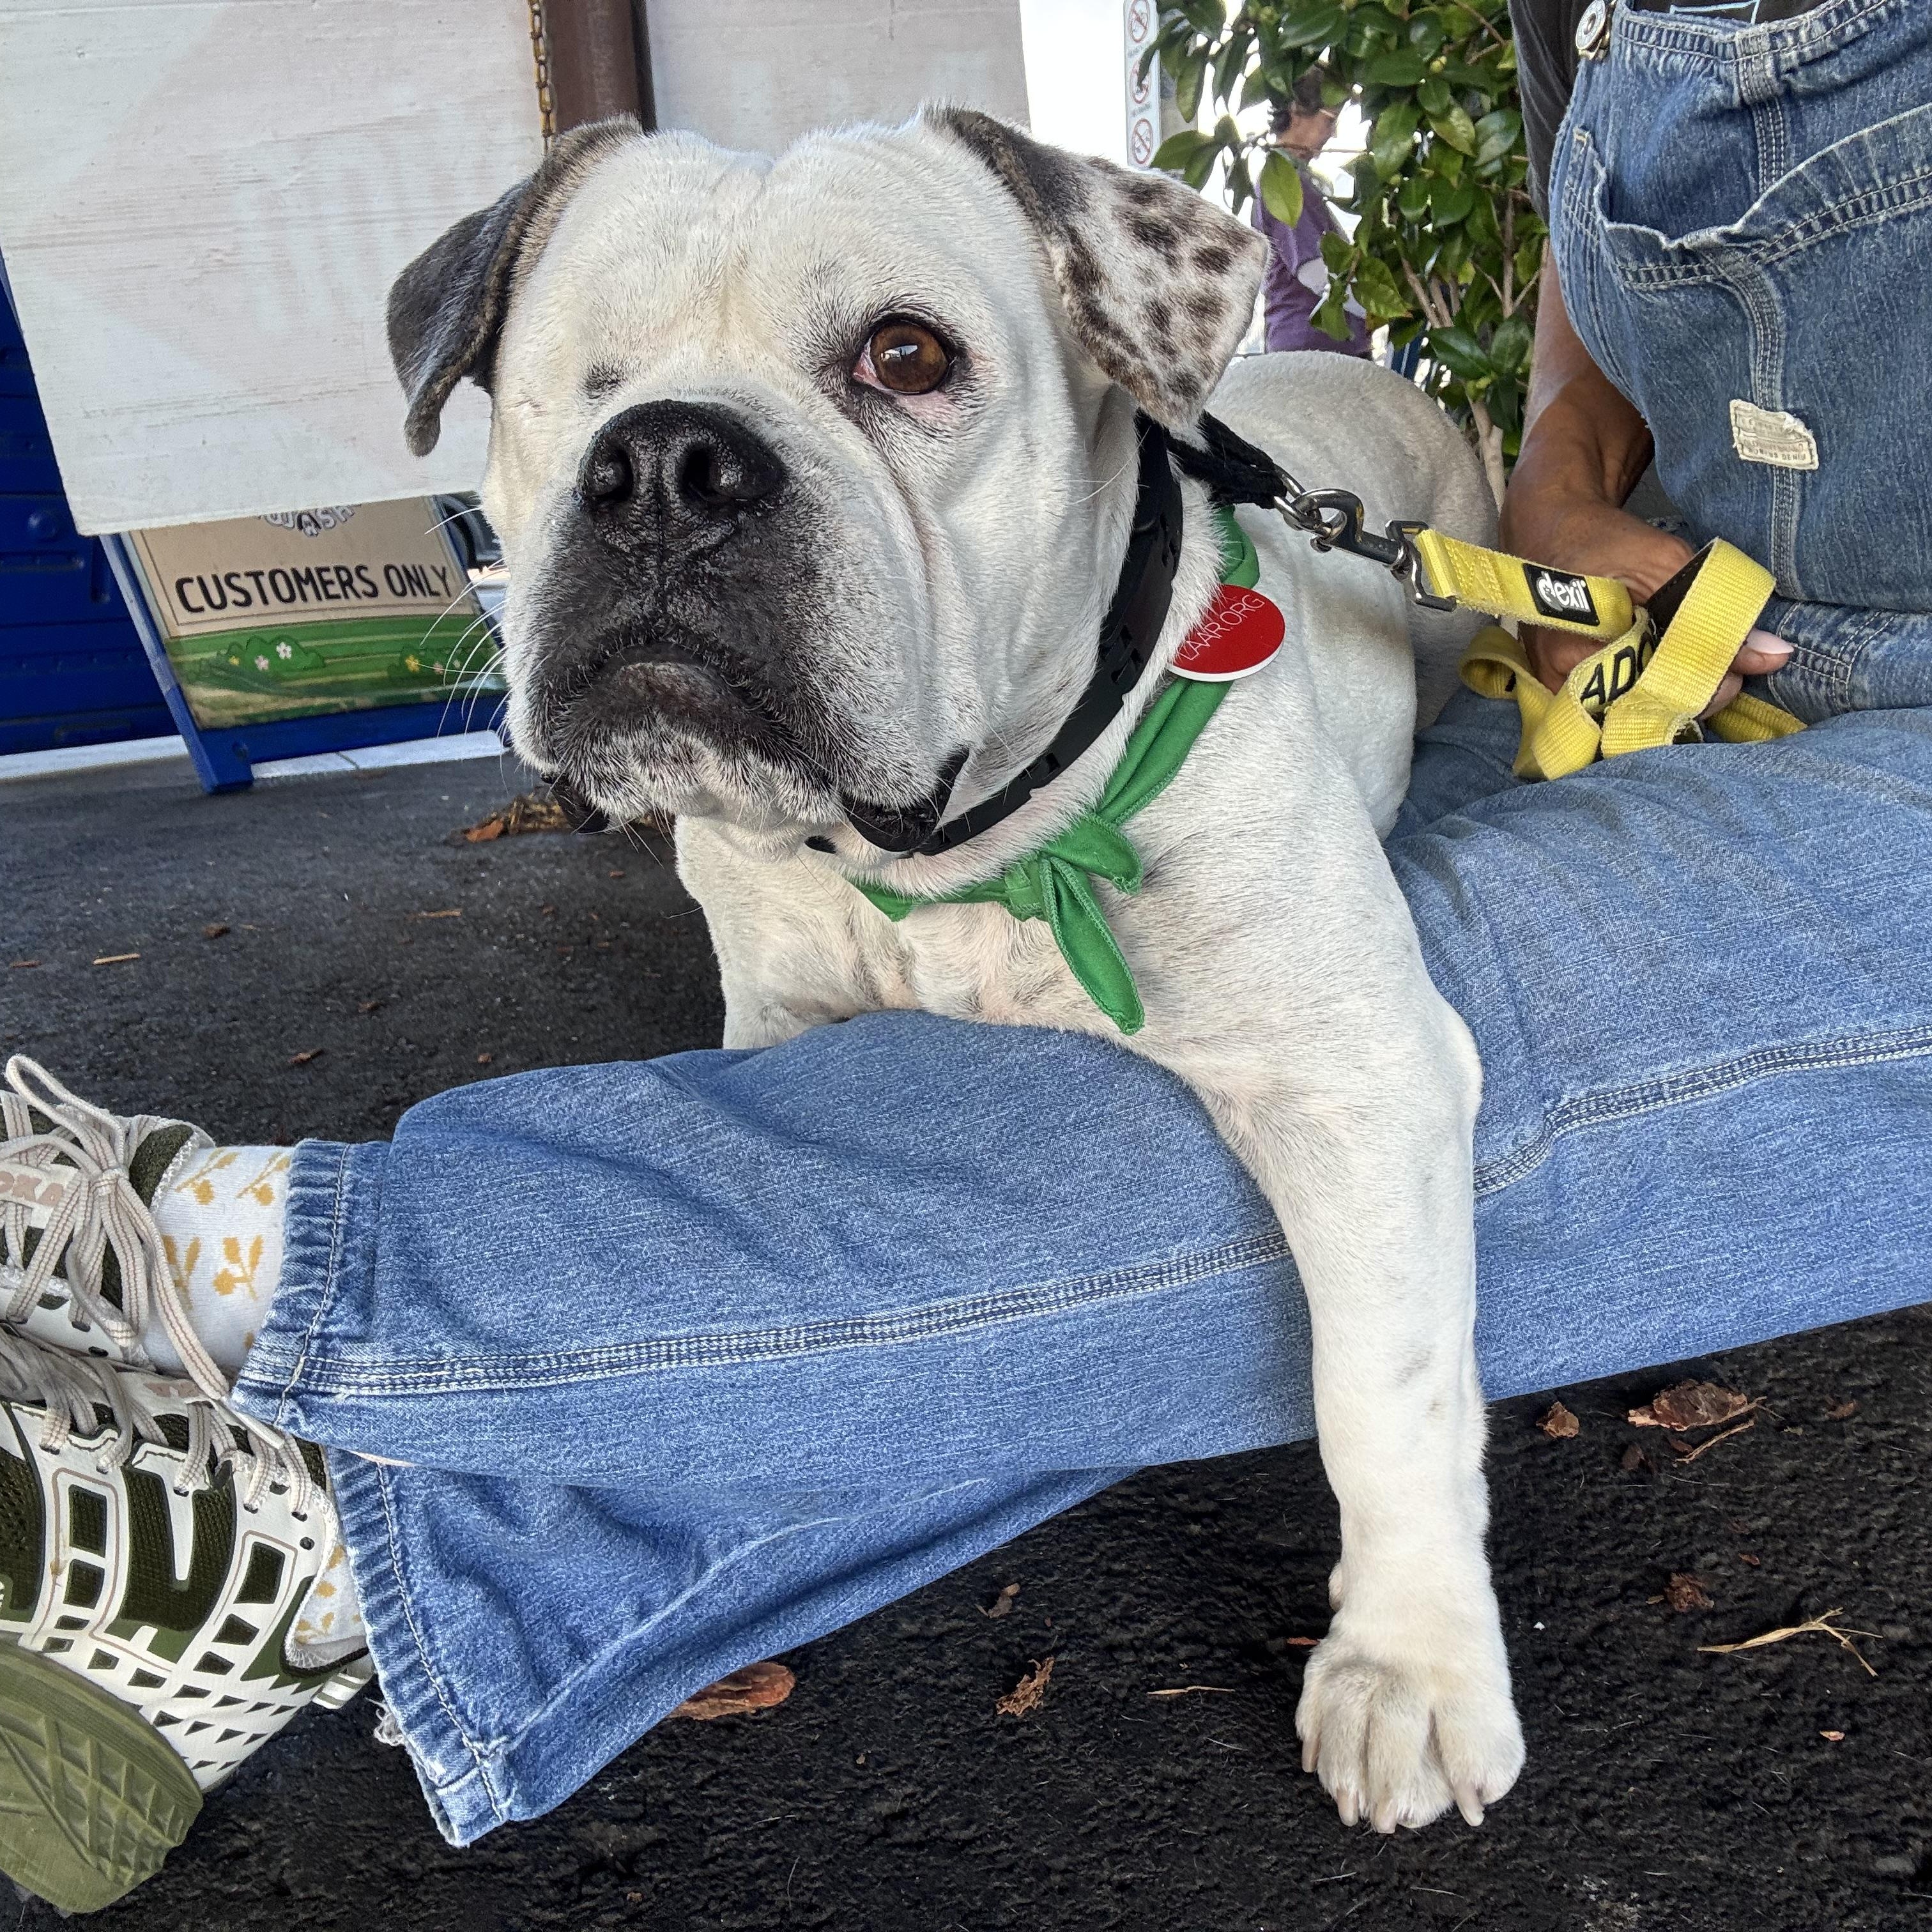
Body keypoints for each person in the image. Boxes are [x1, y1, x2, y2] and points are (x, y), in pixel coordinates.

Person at [3, 0, 1930, 1907]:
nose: (668, 472)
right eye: (589, 393)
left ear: (1113, 350)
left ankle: (233, 1307)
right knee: (1261, 1069)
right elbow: (1592, 330)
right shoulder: (1591, 18)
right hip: (1668, 644)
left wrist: (1407, 1582)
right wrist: (1560, 480)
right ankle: (372, 1497)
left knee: (1396, 1048)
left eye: (903, 362)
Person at [1250, 70, 1371, 356]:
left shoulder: (1287, 177)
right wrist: (1378, 309)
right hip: (1313, 352)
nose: (1333, 133)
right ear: (1297, 111)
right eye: (1329, 120)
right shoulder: (1285, 182)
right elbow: (1315, 271)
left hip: (1306, 346)